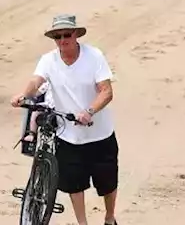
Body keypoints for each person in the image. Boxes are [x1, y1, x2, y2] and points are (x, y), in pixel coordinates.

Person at [11, 14, 118, 225]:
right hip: (68, 134)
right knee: (74, 184)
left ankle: (109, 217)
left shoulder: (94, 56)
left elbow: (106, 92)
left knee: (108, 183)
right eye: (57, 36)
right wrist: (24, 95)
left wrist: (89, 111)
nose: (62, 40)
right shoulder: (48, 60)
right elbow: (36, 81)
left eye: (66, 34)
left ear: (76, 34)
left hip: (99, 133)